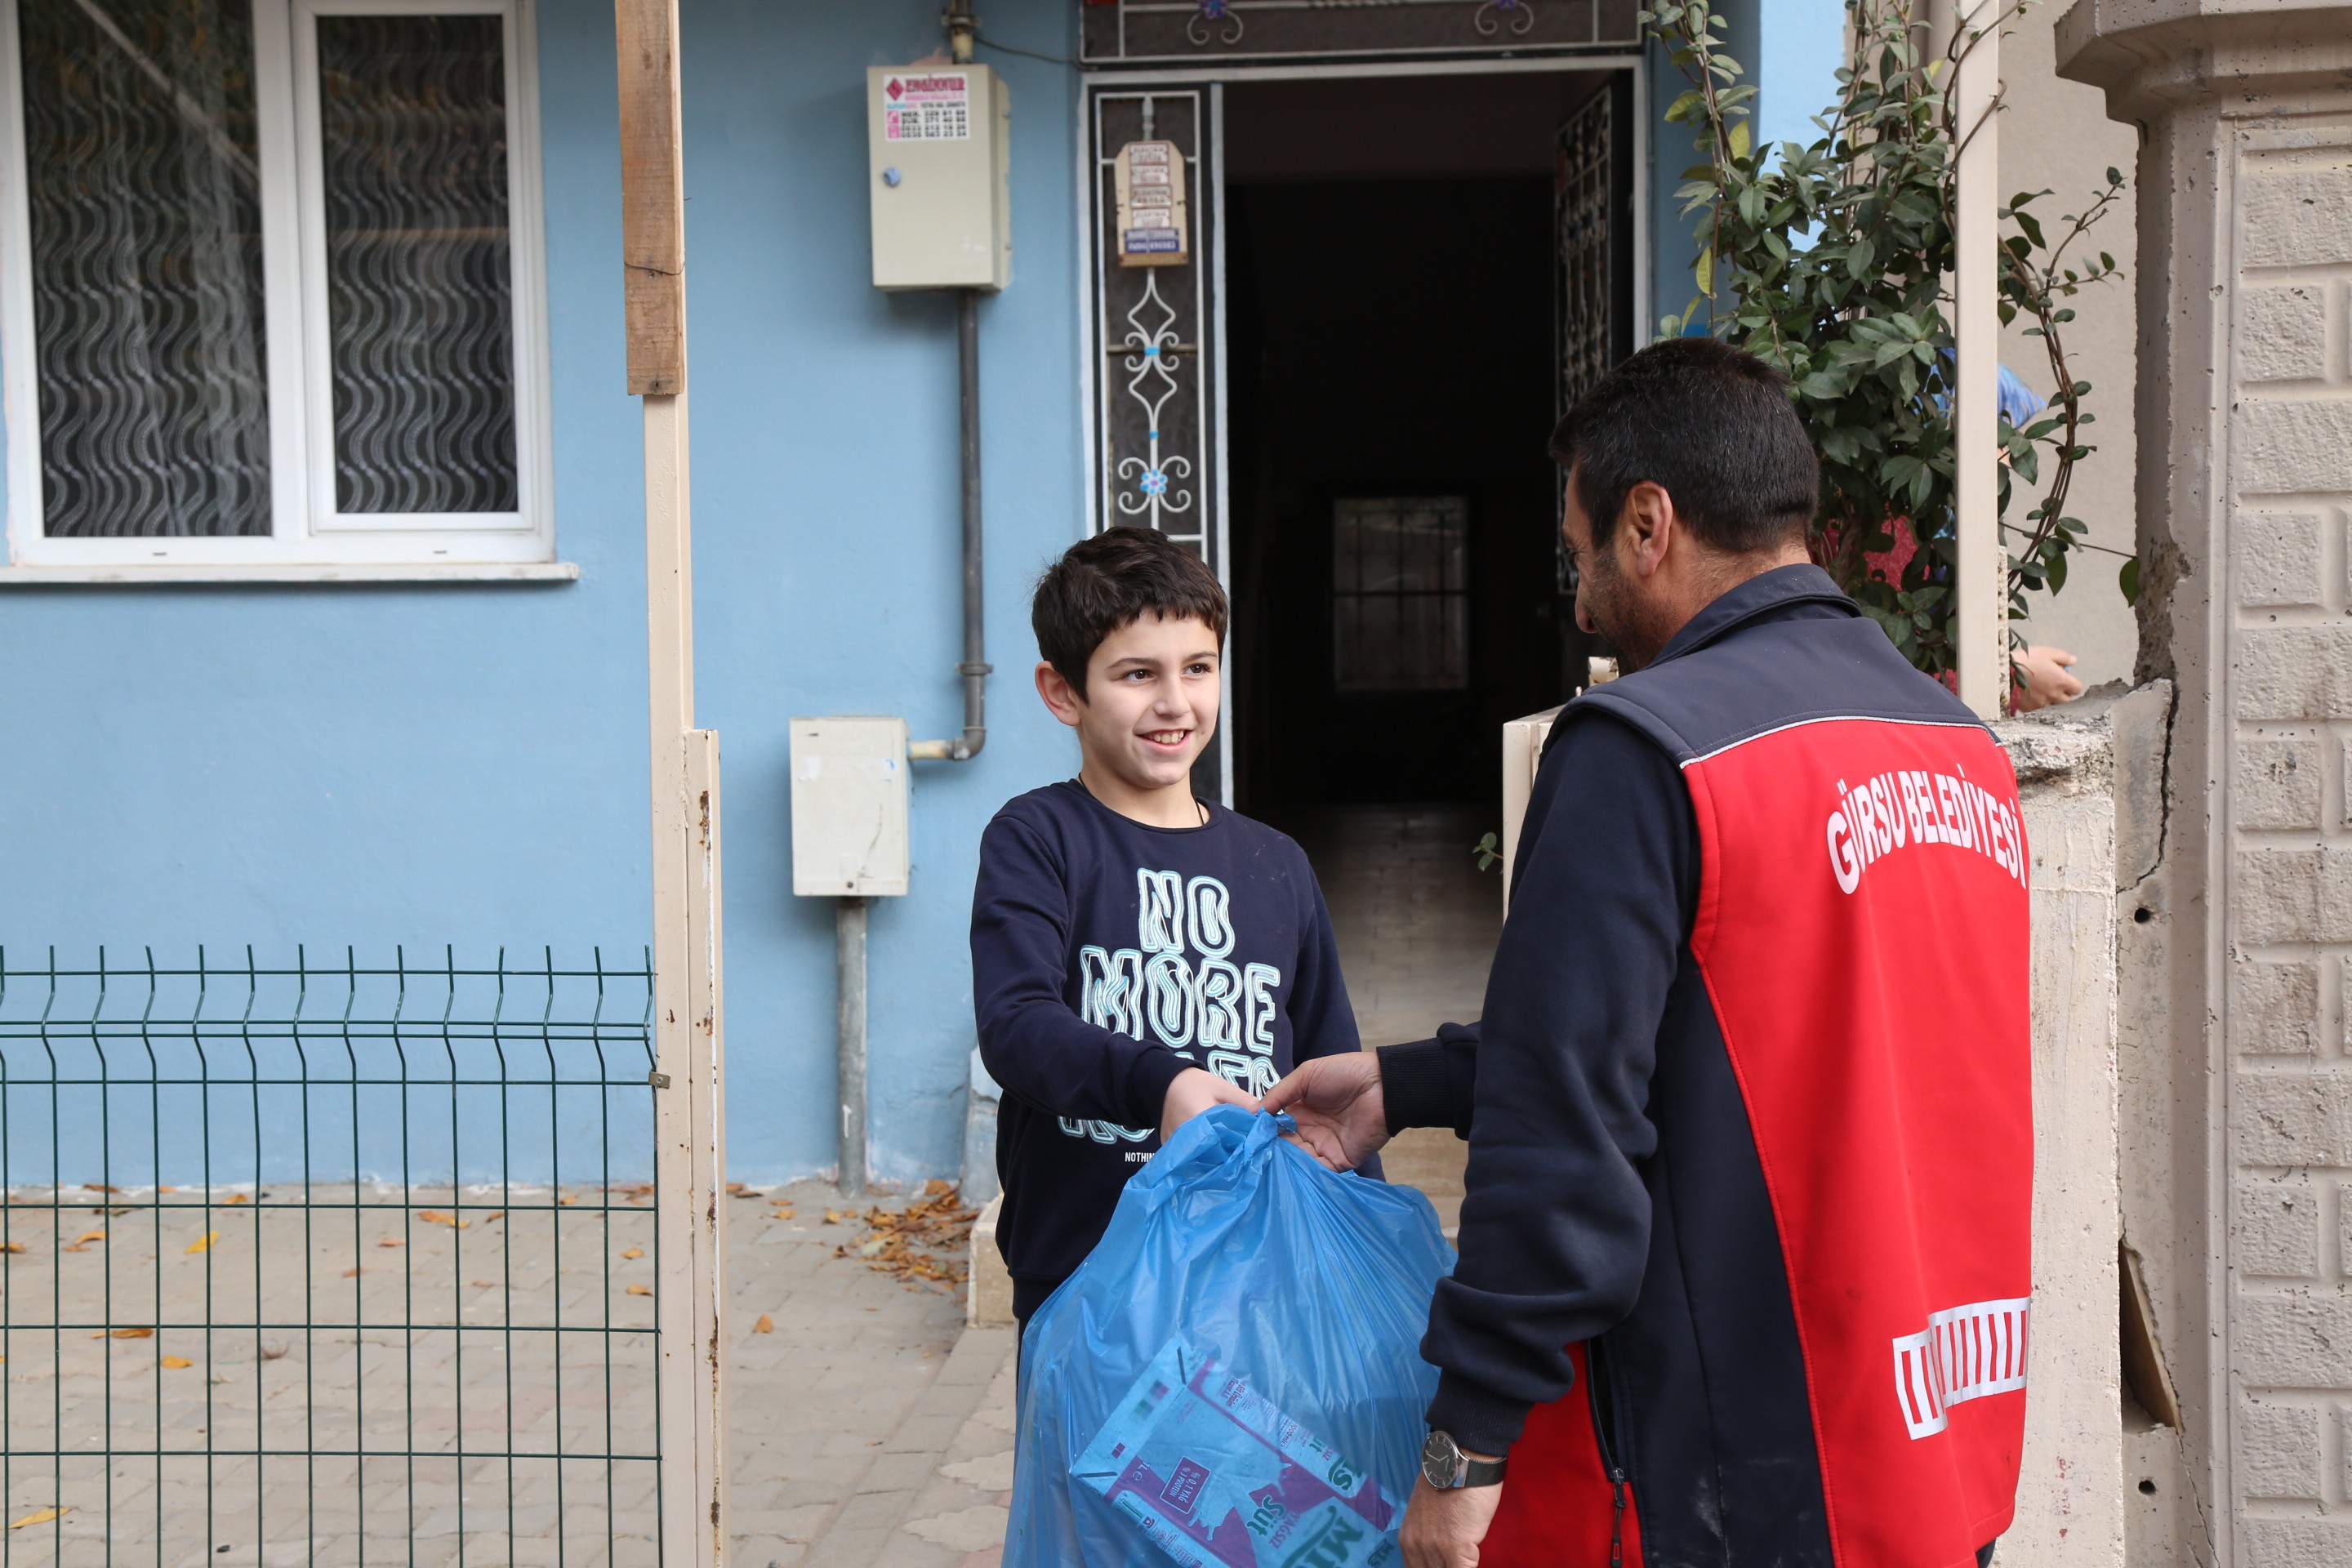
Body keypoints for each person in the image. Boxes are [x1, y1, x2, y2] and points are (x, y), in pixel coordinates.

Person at [1267, 338, 2033, 1568]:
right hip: (1941, 1445)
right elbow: (1752, 1027)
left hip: (1739, 1471)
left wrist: (1466, 1449)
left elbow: (1565, 1134)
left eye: (1579, 555)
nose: (1581, 605)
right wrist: (1413, 1081)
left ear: (1647, 524)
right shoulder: (1955, 745)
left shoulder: (1646, 749)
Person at [969, 525, 1365, 1340]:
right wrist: (1159, 1083)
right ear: (1062, 691)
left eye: (1198, 668)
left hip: (1254, 1271)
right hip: (1085, 1275)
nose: (1175, 702)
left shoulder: (1277, 863)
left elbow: (1330, 1071)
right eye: (1137, 674)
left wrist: (1353, 1234)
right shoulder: (1037, 838)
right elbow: (1016, 1027)